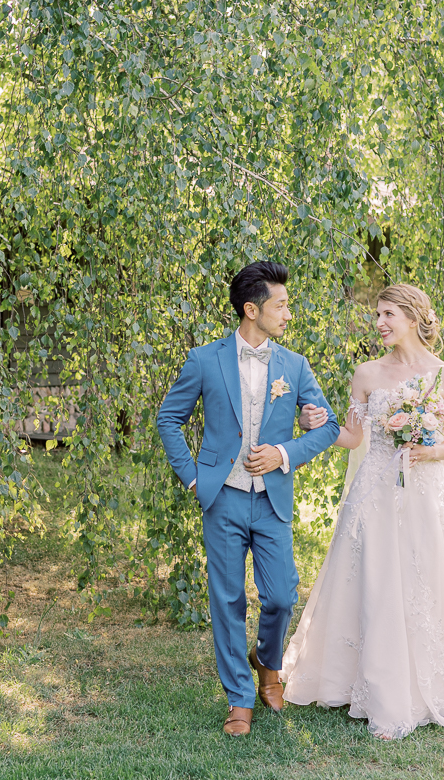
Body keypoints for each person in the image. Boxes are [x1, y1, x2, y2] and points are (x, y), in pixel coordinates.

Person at [284, 283, 444, 740]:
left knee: (425, 581)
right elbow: (354, 438)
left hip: (426, 497)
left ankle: (430, 683)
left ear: (413, 317)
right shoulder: (365, 373)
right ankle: (361, 679)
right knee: (374, 581)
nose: (378, 323)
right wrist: (312, 424)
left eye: (387, 315)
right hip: (375, 494)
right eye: (377, 315)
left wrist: (427, 446)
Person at [157, 262, 341, 737]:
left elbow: (330, 428)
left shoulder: (295, 366)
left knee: (281, 594)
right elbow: (169, 420)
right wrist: (195, 479)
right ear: (251, 309)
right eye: (280, 305)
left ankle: (268, 660)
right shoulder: (204, 360)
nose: (288, 314)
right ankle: (240, 698)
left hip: (272, 500)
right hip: (223, 497)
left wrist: (284, 451)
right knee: (228, 599)